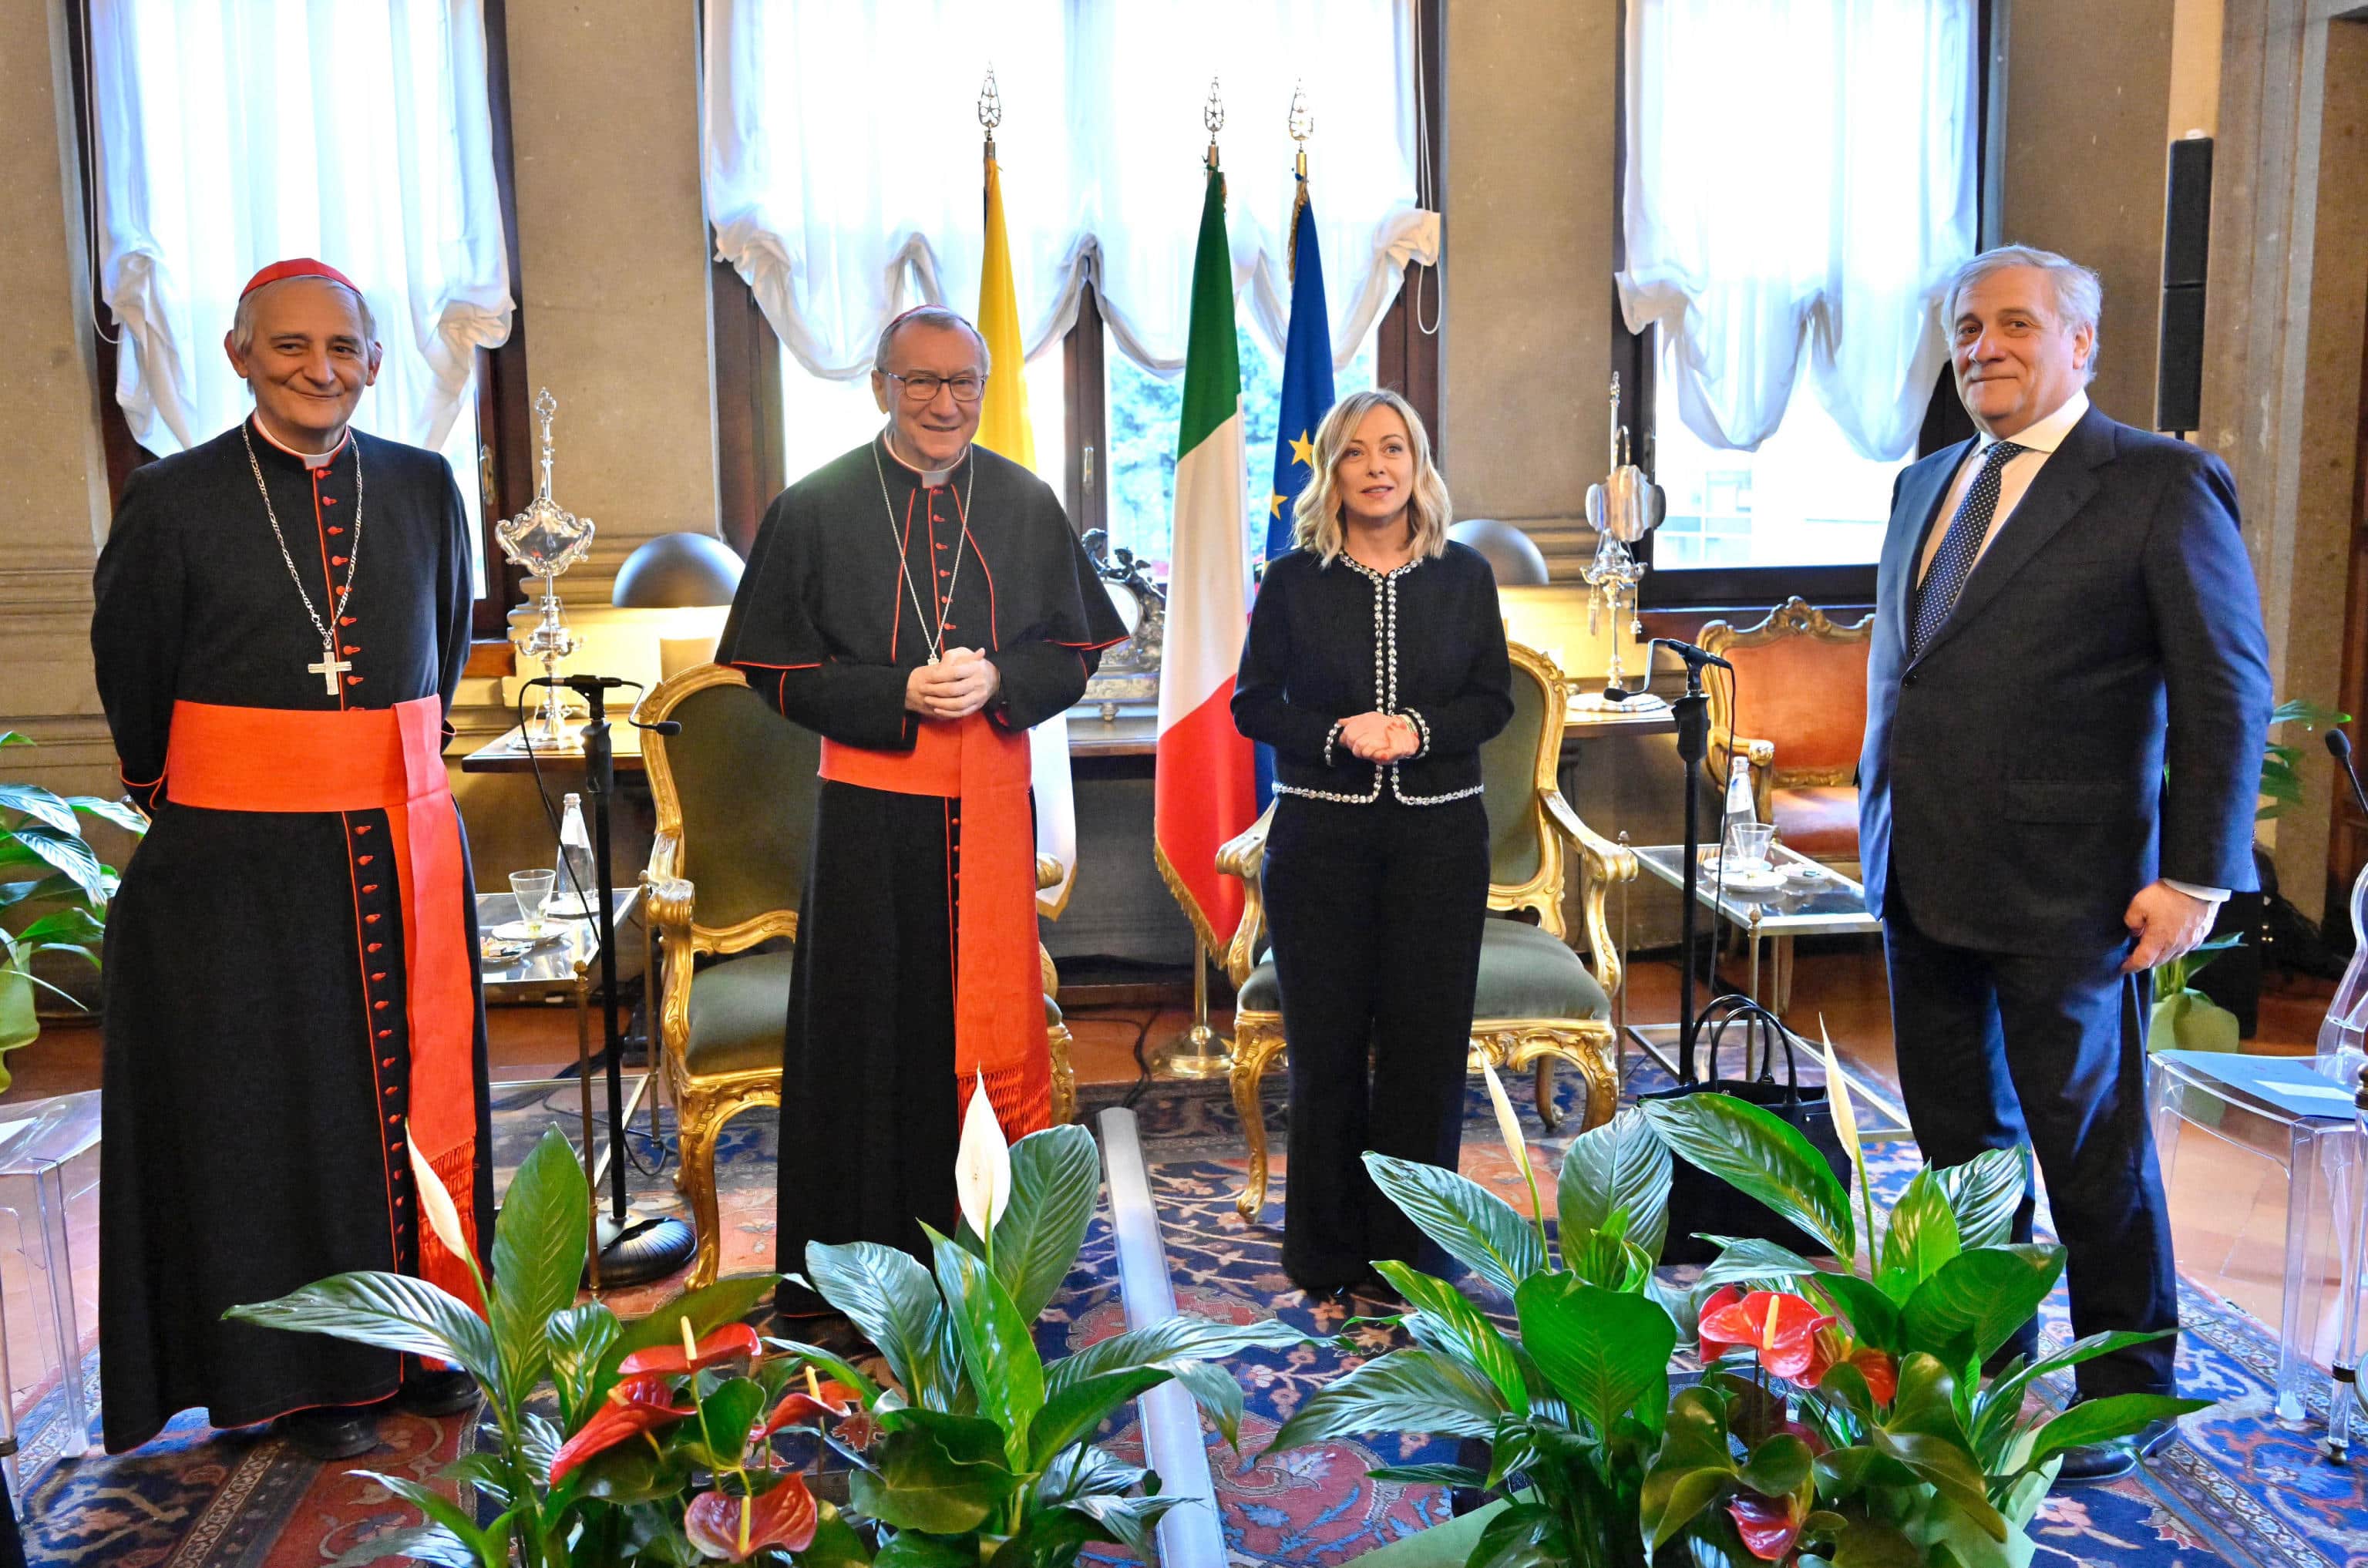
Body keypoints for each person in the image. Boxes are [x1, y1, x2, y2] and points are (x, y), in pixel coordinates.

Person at [1859, 244, 2271, 1481]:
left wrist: (2196, 876)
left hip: (2075, 890)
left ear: (2081, 344)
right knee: (1960, 1153)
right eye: (1968, 326)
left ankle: (2121, 1398)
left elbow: (2226, 688)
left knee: (2091, 1155)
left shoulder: (2157, 482)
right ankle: (1981, 1379)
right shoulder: (1924, 480)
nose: (1984, 345)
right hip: (1920, 872)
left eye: (2017, 325)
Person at [90, 259, 492, 1459]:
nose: (321, 370)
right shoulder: (173, 499)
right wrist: (227, 794)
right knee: (262, 1117)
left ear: (374, 357)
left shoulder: (423, 487)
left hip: (405, 843)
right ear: (237, 354)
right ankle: (286, 1368)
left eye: (344, 348)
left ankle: (422, 1340)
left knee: (400, 1111)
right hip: (236, 875)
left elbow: (445, 647)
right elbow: (135, 674)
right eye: (290, 349)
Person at [717, 305, 1125, 1315]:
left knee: (982, 1035)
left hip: (990, 807)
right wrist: (895, 692)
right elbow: (774, 671)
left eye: (963, 384)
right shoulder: (814, 508)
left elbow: (1073, 651)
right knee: (869, 1041)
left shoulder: (1024, 503)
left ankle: (986, 1260)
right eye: (921, 382)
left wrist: (1001, 676)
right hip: (870, 823)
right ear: (880, 387)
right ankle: (859, 1270)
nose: (945, 404)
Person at [1232, 388, 1513, 1304]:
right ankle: (1325, 1250)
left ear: (1418, 462)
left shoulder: (1465, 576)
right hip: (1321, 845)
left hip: (1439, 844)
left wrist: (1419, 732)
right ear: (1334, 471)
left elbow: (1492, 701)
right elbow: (1253, 704)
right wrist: (1339, 733)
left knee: (1427, 1051)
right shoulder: (1292, 579)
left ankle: (1416, 1252)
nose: (1379, 467)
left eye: (1395, 449)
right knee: (1329, 1050)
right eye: (1357, 452)